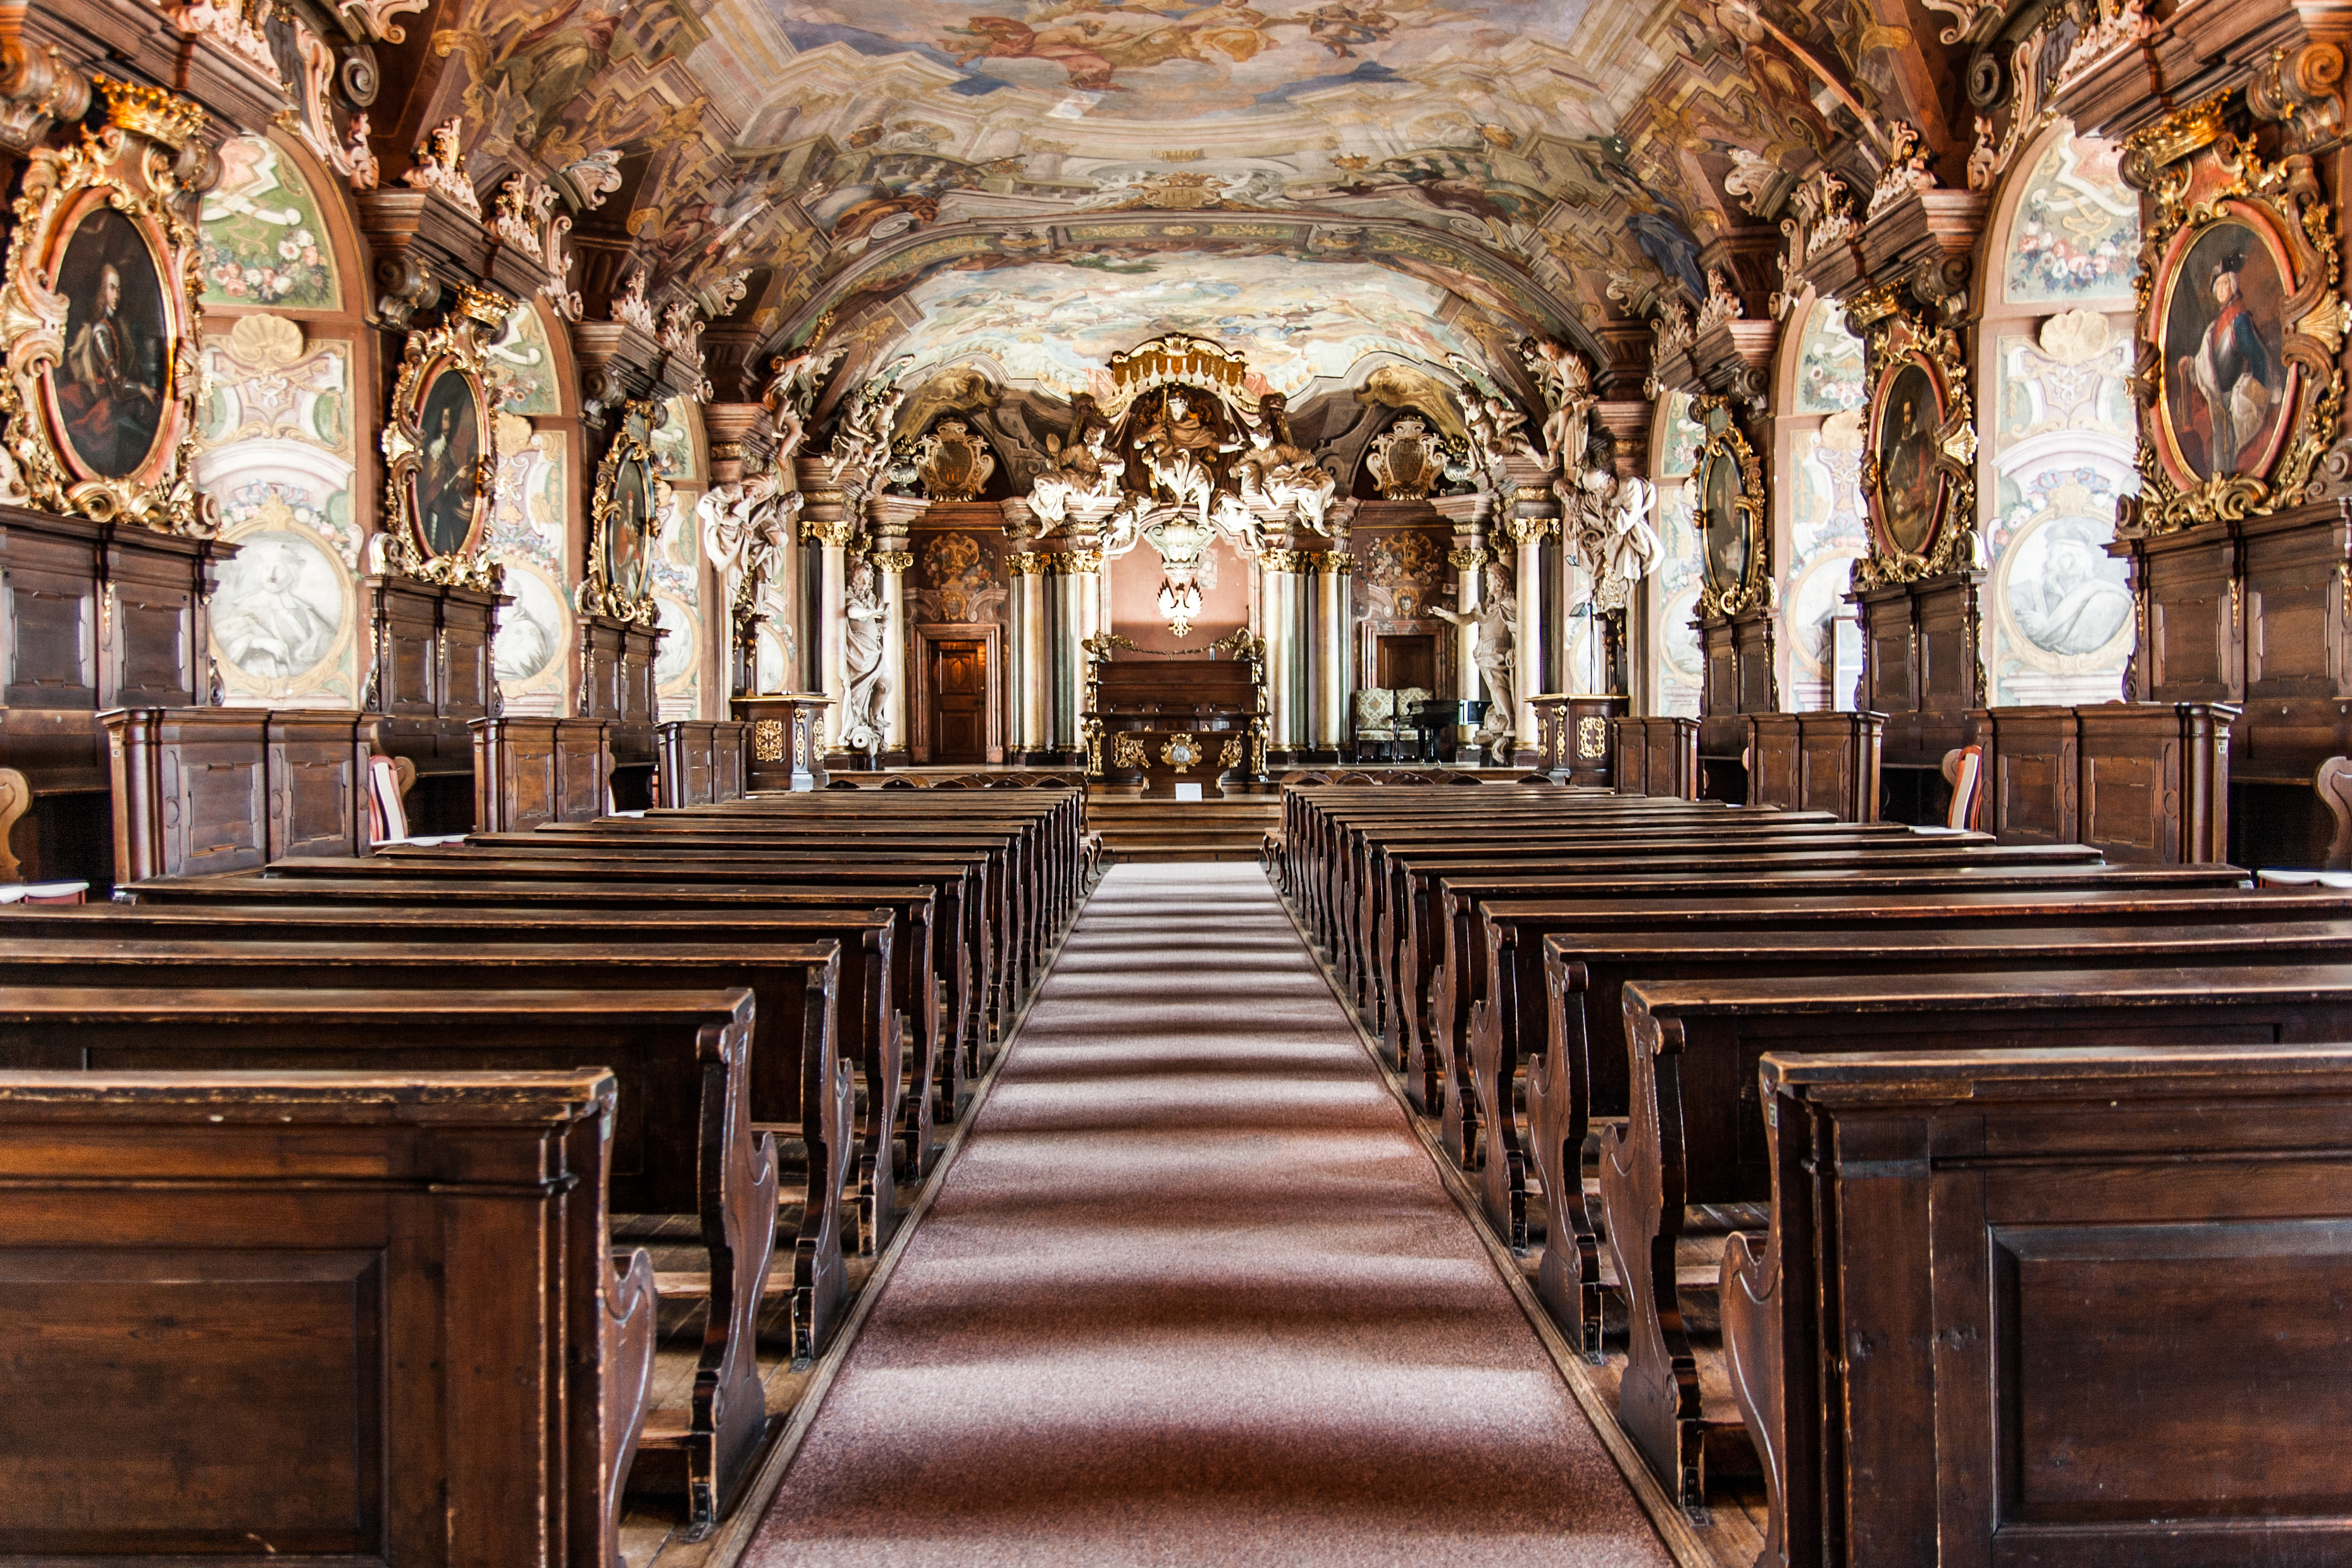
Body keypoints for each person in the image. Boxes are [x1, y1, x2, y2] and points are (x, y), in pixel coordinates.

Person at [2179, 247, 2279, 476]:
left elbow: (2258, 358)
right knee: (2221, 456)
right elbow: (2209, 362)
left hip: (2237, 402)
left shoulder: (2239, 320)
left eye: (2225, 283)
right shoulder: (2214, 328)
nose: (2222, 290)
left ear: (2233, 285)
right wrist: (2191, 365)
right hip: (2219, 404)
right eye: (2218, 286)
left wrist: (2253, 399)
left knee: (2239, 455)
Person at [59, 262, 159, 476]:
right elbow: (118, 388)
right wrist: (142, 389)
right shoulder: (100, 331)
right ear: (101, 291)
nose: (116, 296)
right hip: (101, 400)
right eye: (111, 288)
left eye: (119, 289)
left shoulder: (114, 327)